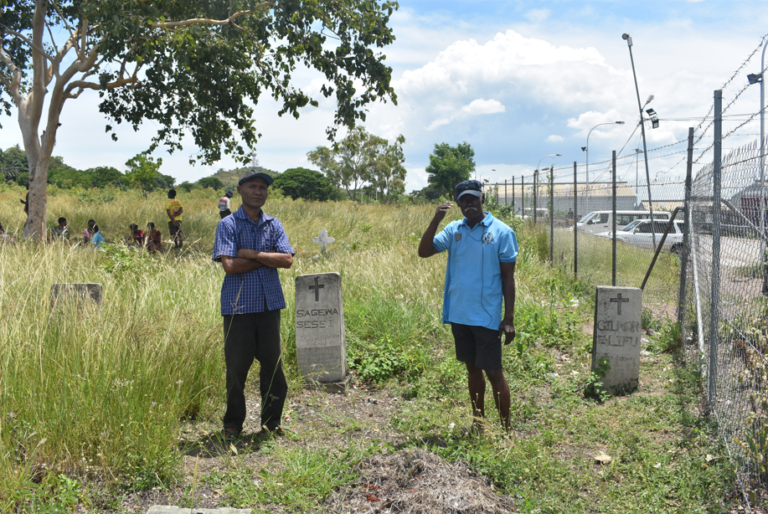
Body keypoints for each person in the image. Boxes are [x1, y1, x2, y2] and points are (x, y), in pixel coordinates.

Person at [418, 179, 518, 433]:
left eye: (473, 198)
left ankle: (506, 430)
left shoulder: (502, 232)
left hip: (486, 317)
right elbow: (424, 251)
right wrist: (435, 220)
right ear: (458, 203)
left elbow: (508, 278)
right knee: (472, 369)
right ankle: (479, 423)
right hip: (460, 315)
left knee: (494, 373)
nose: (469, 204)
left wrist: (508, 318)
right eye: (463, 200)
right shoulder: (454, 230)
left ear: (482, 198)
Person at [212, 169, 295, 441]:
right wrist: (267, 257)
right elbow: (230, 266)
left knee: (273, 367)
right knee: (237, 368)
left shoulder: (274, 224)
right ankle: (233, 423)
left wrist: (251, 253)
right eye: (252, 186)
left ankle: (272, 422)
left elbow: (287, 260)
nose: (258, 191)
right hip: (238, 308)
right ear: (239, 190)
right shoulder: (229, 225)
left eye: (263, 187)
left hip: (270, 306)